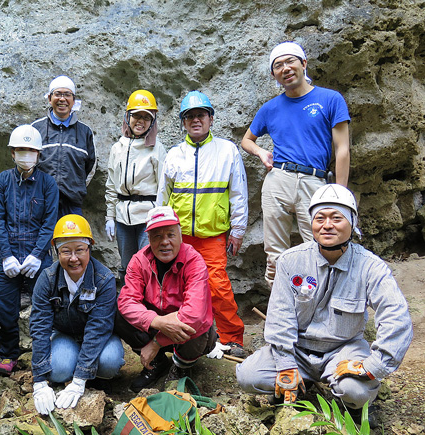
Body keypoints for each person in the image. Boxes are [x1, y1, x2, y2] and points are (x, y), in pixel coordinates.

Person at [235, 184, 413, 427]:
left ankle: (354, 404)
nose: (327, 224)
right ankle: (301, 381)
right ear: (311, 223)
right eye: (320, 218)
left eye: (336, 218)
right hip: (298, 348)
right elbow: (280, 316)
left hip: (344, 349)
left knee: (356, 391)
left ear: (352, 223)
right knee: (248, 376)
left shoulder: (371, 267)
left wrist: (373, 366)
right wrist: (286, 363)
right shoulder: (290, 260)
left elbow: (396, 317)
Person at [240, 41, 351, 288]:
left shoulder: (330, 99)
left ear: (303, 63)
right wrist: (260, 152)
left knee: (321, 246)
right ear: (273, 74)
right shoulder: (270, 108)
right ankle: (282, 309)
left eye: (290, 61)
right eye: (278, 65)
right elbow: (246, 140)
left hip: (315, 181)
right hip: (278, 179)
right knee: (275, 253)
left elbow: (342, 149)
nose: (285, 68)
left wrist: (340, 195)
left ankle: (320, 306)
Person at [157, 91, 248, 357]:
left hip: (212, 235)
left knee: (216, 285)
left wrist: (238, 229)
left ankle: (232, 337)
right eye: (190, 116)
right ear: (183, 122)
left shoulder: (227, 150)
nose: (195, 120)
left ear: (210, 118)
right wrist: (160, 233)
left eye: (200, 115)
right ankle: (179, 335)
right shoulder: (174, 154)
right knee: (176, 288)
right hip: (178, 236)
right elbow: (163, 197)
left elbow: (239, 192)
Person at [115, 206, 224, 393]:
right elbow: (126, 301)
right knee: (118, 315)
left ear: (180, 236)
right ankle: (156, 364)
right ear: (148, 239)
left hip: (185, 331)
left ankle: (181, 367)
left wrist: (156, 343)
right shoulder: (139, 261)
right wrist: (157, 321)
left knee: (194, 326)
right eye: (157, 236)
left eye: (170, 235)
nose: (165, 242)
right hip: (158, 323)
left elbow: (194, 314)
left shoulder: (194, 261)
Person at [30, 215, 124, 414]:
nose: (74, 258)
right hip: (65, 335)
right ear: (57, 252)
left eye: (80, 250)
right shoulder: (47, 280)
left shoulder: (104, 280)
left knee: (110, 362)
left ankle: (90, 376)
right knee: (58, 369)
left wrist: (80, 380)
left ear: (89, 249)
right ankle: (74, 369)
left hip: (99, 338)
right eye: (66, 251)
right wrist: (39, 380)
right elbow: (39, 326)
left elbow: (98, 329)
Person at [0, 124, 59, 376]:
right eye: (21, 150)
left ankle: (44, 355)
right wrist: (7, 256)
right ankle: (9, 354)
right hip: (7, 254)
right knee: (6, 309)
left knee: (45, 307)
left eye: (31, 150)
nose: (26, 155)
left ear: (39, 154)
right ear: (12, 153)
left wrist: (37, 255)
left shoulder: (48, 184)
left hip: (38, 255)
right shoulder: (1, 182)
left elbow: (49, 222)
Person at [105, 89, 167, 284]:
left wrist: (160, 216)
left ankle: (149, 310)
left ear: (152, 121)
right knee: (127, 264)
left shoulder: (157, 148)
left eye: (146, 117)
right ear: (127, 117)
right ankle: (128, 307)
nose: (140, 121)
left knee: (148, 263)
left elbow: (164, 187)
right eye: (136, 116)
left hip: (148, 216)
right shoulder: (118, 148)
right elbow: (111, 184)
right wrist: (110, 216)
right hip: (123, 216)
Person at [31, 75, 97, 219]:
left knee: (71, 241)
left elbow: (90, 167)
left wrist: (76, 187)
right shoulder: (36, 129)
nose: (62, 99)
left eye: (67, 95)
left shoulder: (85, 132)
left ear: (73, 100)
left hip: (72, 203)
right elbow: (27, 162)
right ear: (49, 98)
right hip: (39, 202)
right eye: (58, 94)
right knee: (41, 241)